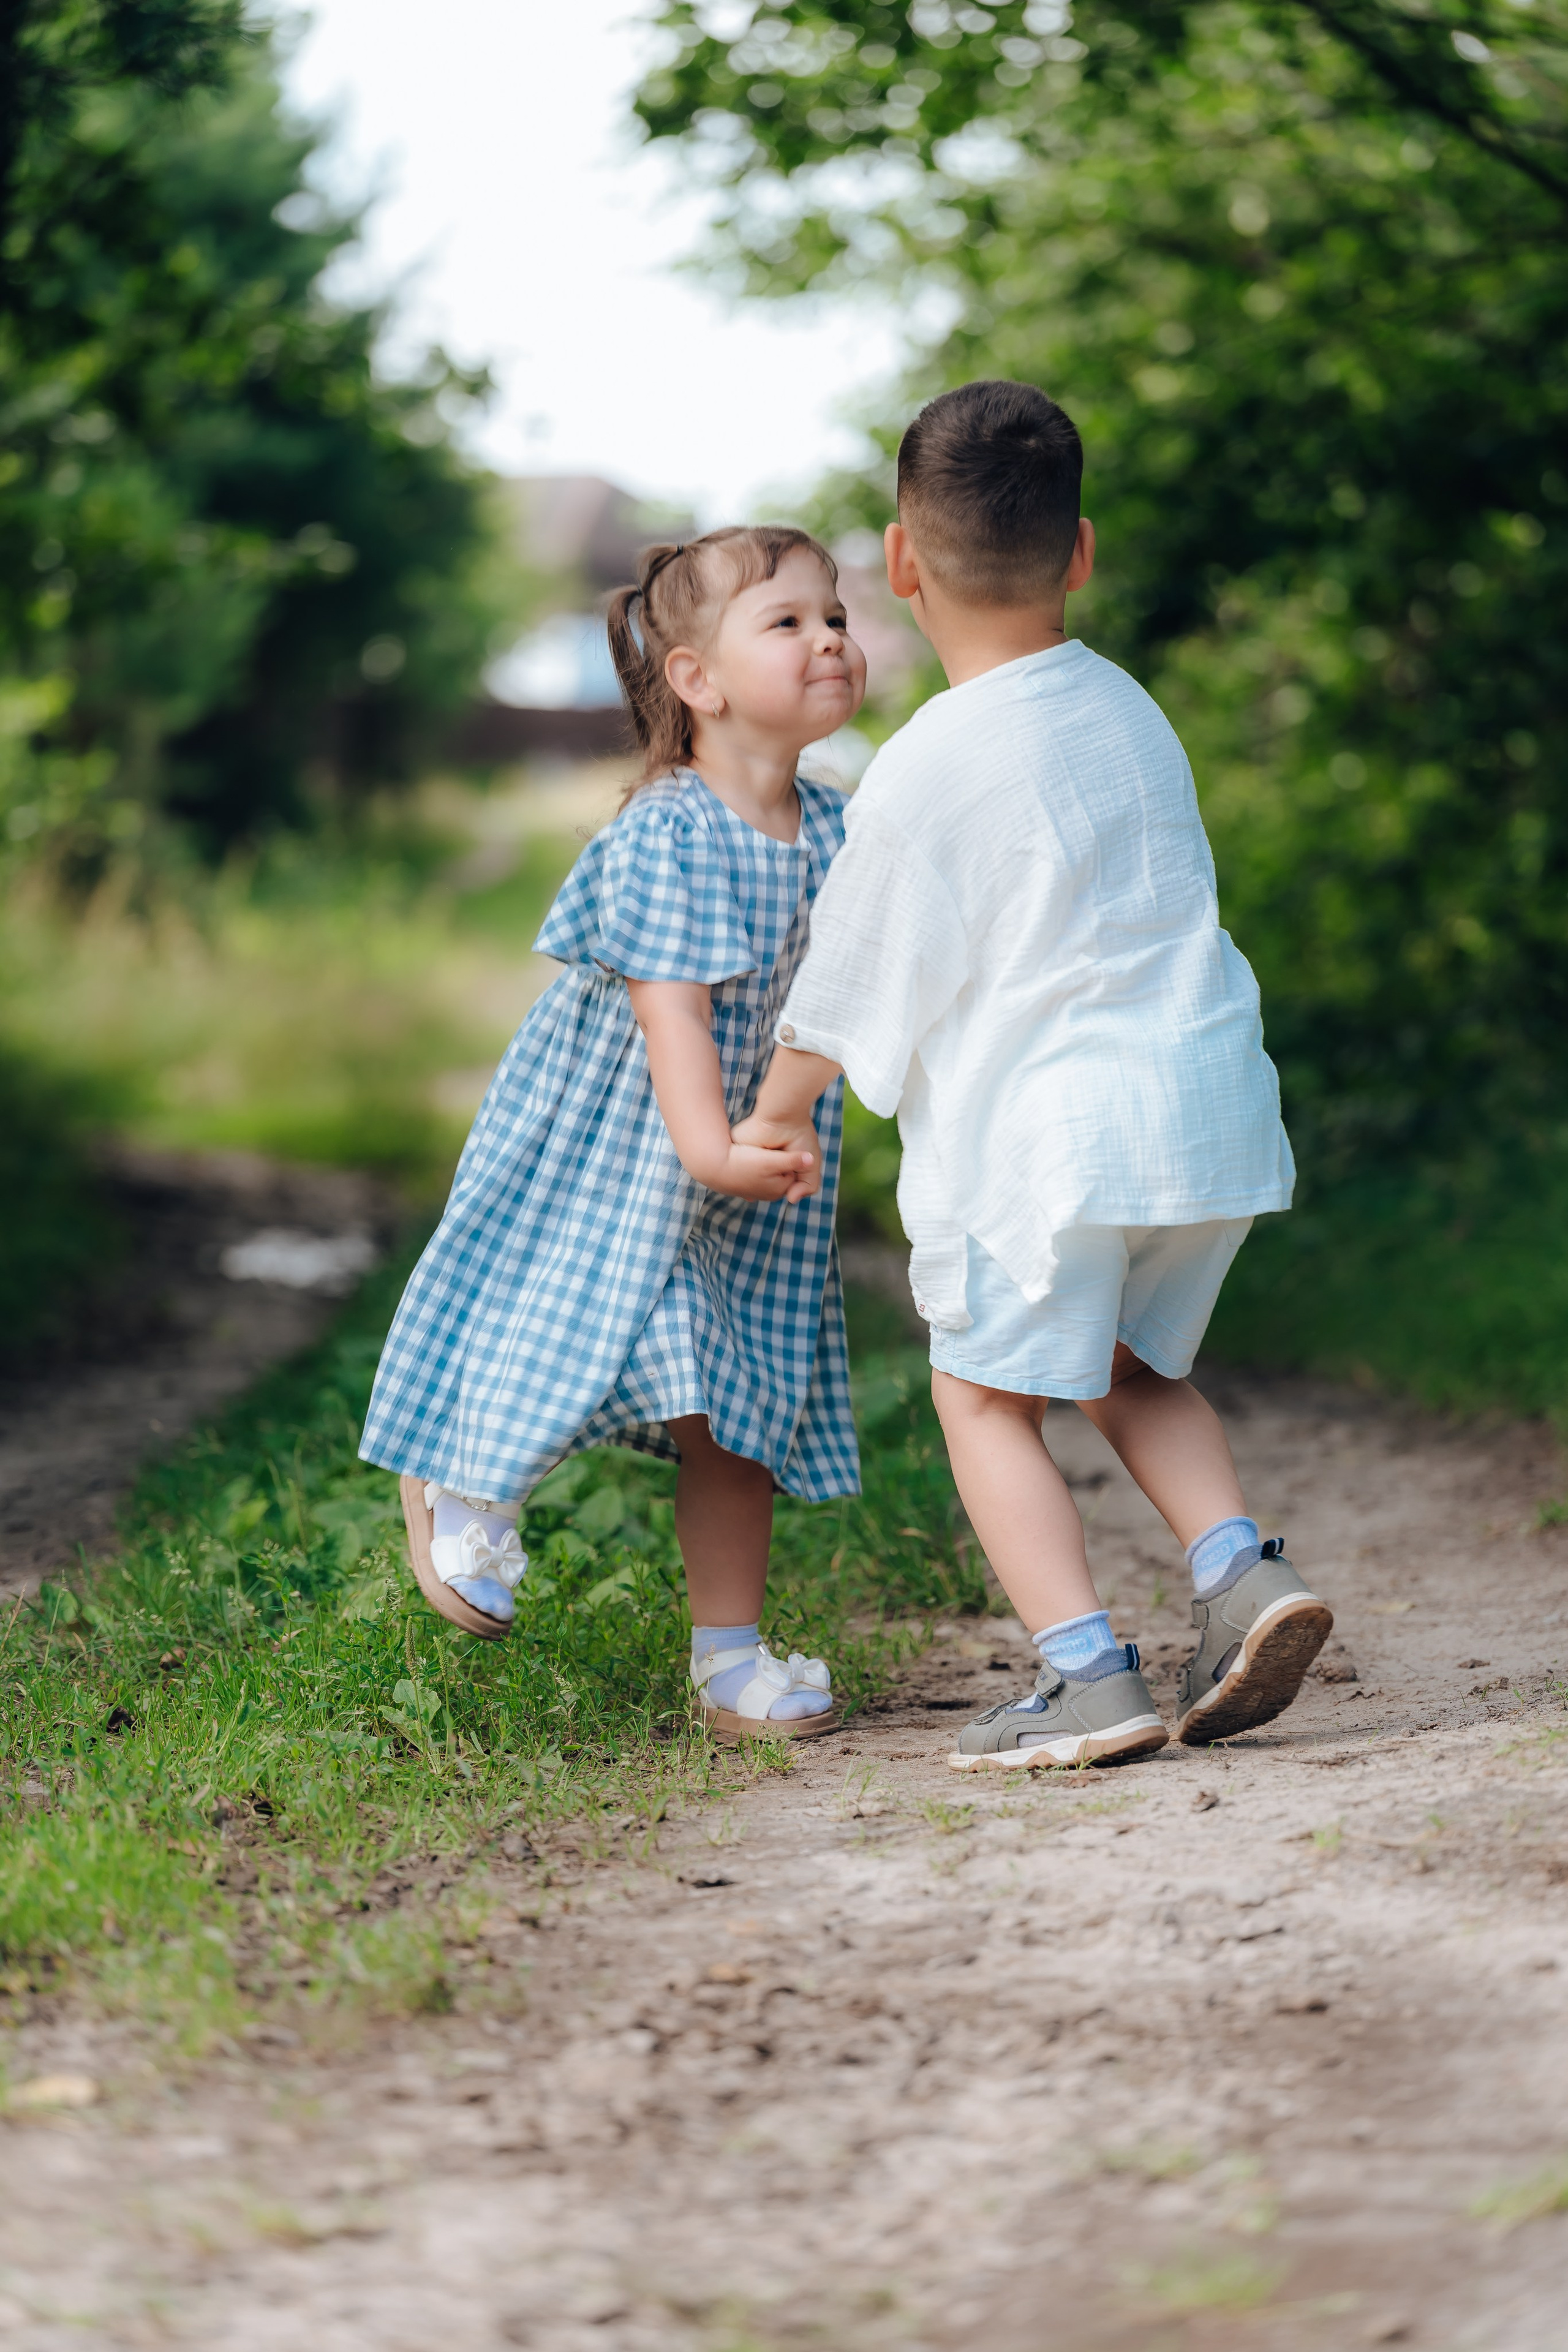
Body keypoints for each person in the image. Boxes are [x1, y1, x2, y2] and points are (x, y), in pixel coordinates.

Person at [736, 381, 1332, 1769]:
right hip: (1201, 1112)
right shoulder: (1125, 709)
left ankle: (1084, 1677)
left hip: (1052, 1140)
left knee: (983, 1395)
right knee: (1129, 1365)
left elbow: (855, 978)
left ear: (898, 563)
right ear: (1078, 553)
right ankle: (1240, 1572)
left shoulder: (924, 765)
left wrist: (771, 1116)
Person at [360, 526, 867, 1741]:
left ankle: (729, 1663)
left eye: (836, 615)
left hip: (749, 1153)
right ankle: (469, 1480)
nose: (830, 639)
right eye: (786, 622)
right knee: (572, 1313)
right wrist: (710, 1148)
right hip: (626, 1134)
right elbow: (672, 1016)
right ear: (694, 680)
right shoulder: (669, 829)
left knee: (733, 1396)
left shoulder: (844, 830)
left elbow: (865, 991)